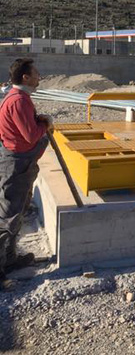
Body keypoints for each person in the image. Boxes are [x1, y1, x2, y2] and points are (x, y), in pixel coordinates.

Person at [0, 59, 53, 280]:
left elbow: (23, 127)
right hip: (17, 165)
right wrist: (45, 124)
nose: (39, 77)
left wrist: (37, 120)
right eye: (36, 73)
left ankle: (10, 259)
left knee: (18, 210)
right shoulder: (19, 101)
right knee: (9, 215)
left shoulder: (18, 97)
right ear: (26, 77)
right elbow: (30, 136)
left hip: (21, 163)